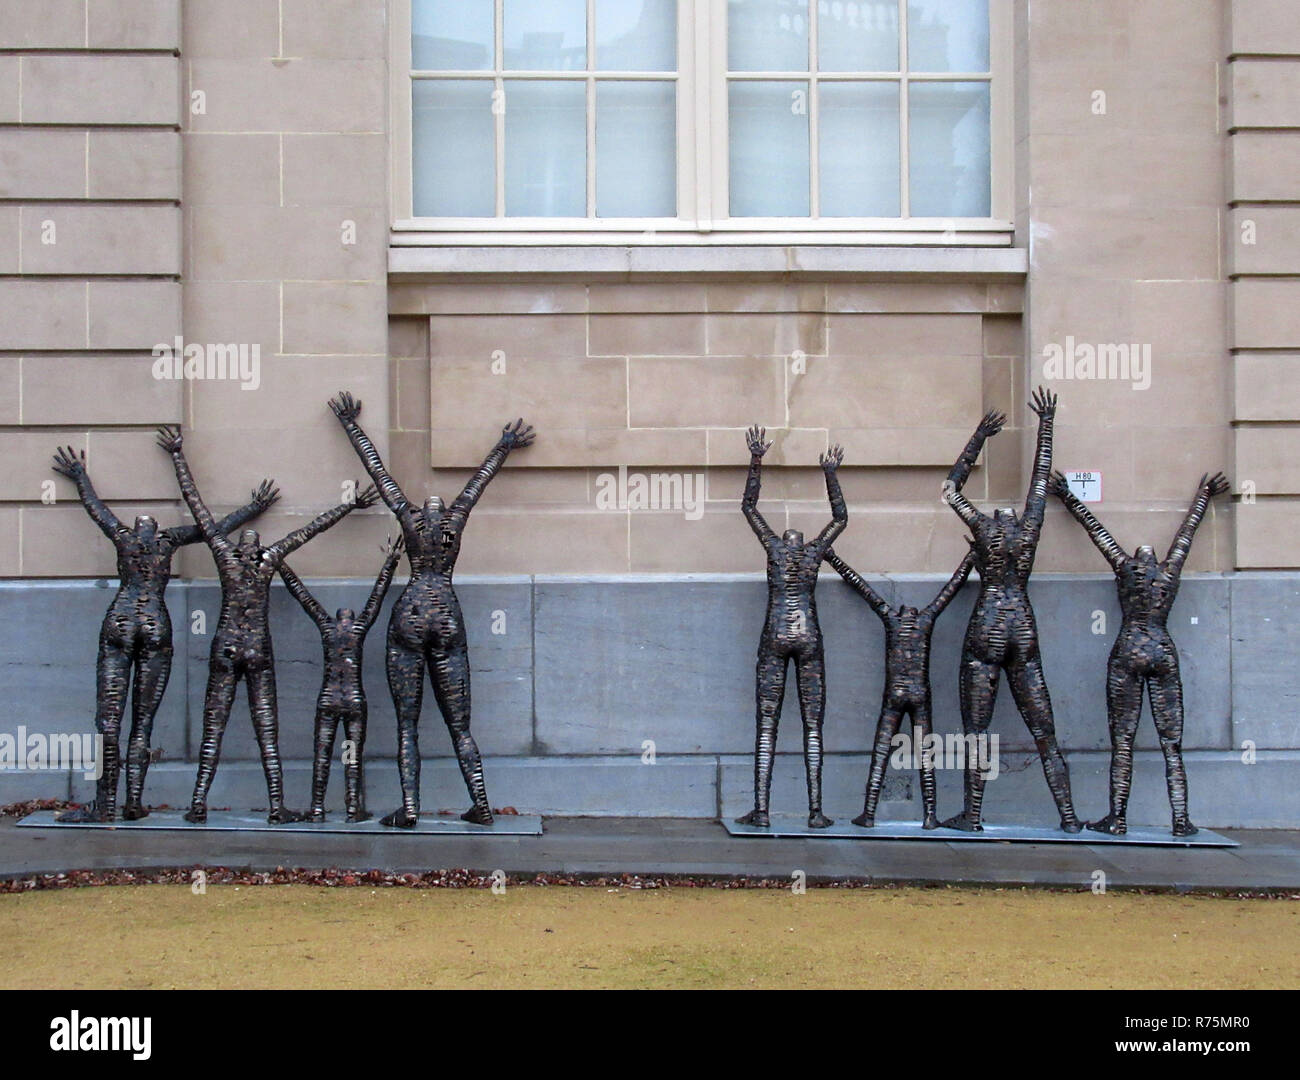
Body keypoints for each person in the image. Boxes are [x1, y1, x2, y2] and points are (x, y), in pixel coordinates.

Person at [328, 391, 535, 827]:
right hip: (446, 614)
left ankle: (410, 810)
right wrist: (503, 445)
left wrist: (351, 425)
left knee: (407, 724)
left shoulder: (408, 517)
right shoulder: (456, 521)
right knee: (459, 726)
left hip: (411, 611)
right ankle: (480, 805)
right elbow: (478, 482)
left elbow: (380, 474)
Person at [157, 425, 376, 824]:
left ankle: (198, 804)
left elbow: (198, 508)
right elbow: (311, 529)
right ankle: (276, 806)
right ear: (256, 549)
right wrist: (349, 506)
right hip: (256, 646)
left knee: (213, 728)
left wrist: (177, 455)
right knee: (267, 728)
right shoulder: (268, 560)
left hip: (225, 644)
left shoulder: (224, 555)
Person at [50, 445, 278, 823]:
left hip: (122, 619)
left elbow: (98, 511)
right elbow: (212, 529)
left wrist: (80, 477)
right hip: (156, 621)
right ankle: (133, 801)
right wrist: (252, 510)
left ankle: (107, 804)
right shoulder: (168, 541)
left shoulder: (125, 538)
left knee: (109, 719)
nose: (145, 522)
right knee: (143, 721)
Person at [1049, 469, 1230, 836]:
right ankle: (1180, 820)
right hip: (1161, 649)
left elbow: (1097, 532)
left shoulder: (1125, 568)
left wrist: (1068, 496)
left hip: (1129, 647)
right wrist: (1204, 496)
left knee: (1123, 742)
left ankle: (1118, 818)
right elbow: (1186, 535)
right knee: (1171, 744)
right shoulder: (1167, 573)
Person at [940, 391, 1082, 833]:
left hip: (988, 624)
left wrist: (979, 438)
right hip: (1022, 622)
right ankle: (1070, 816)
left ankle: (974, 815)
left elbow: (949, 489)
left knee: (977, 730)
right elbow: (1040, 479)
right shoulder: (1028, 529)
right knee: (1044, 730)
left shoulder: (983, 527)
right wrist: (1047, 424)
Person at [736, 424, 846, 829]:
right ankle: (815, 811)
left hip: (777, 633)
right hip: (809, 635)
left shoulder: (775, 548)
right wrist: (830, 474)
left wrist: (756, 460)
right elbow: (840, 517)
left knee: (767, 724)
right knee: (813, 724)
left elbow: (749, 507)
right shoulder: (814, 552)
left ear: (785, 542)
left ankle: (763, 810)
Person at [825, 548, 975, 828]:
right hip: (919, 695)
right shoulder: (926, 621)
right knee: (925, 755)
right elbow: (951, 589)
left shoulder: (893, 620)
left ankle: (869, 813)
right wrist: (969, 557)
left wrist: (833, 559)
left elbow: (863, 588)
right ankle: (930, 816)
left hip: (895, 696)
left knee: (881, 752)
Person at [278, 536, 404, 822]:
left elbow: (303, 596)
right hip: (353, 702)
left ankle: (318, 808)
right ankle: (351, 808)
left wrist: (281, 565)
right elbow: (376, 598)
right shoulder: (358, 629)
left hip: (328, 700)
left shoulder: (327, 628)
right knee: (352, 755)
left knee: (322, 755)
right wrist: (390, 562)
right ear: (349, 619)